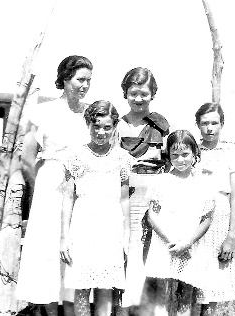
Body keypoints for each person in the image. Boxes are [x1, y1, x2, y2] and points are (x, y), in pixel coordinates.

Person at [15, 55, 93, 316]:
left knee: (76, 248)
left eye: (88, 81)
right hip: (51, 185)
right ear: (64, 79)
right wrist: (41, 192)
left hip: (83, 187)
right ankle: (49, 310)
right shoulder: (43, 111)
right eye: (80, 79)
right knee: (48, 250)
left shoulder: (90, 112)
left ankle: (72, 310)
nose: (85, 85)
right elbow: (27, 159)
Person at [60, 100, 132, 316]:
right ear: (88, 125)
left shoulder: (122, 158)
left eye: (107, 127)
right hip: (83, 228)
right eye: (96, 126)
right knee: (82, 287)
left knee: (106, 286)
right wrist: (64, 238)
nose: (101, 132)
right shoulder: (75, 157)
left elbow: (124, 199)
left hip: (110, 229)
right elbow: (68, 198)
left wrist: (126, 235)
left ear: (114, 127)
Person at [114, 67, 170, 313]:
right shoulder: (117, 126)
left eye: (144, 94)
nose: (138, 99)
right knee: (129, 250)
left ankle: (151, 310)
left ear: (153, 94)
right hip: (127, 197)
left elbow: (171, 163)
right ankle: (126, 309)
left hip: (156, 197)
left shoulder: (162, 126)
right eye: (133, 93)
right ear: (125, 94)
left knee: (154, 254)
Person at [142, 130, 215, 316]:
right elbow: (152, 216)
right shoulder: (161, 182)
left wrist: (187, 243)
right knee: (163, 296)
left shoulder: (203, 185)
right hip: (165, 246)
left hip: (190, 247)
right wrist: (172, 242)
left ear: (194, 153)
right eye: (175, 155)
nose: (180, 159)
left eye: (185, 154)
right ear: (168, 155)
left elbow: (206, 219)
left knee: (186, 295)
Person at [192, 103, 235, 315]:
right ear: (198, 125)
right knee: (191, 285)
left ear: (222, 125)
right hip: (194, 221)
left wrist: (231, 237)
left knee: (214, 287)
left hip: (220, 222)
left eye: (214, 123)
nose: (210, 128)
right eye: (205, 123)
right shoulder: (191, 152)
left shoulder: (230, 154)